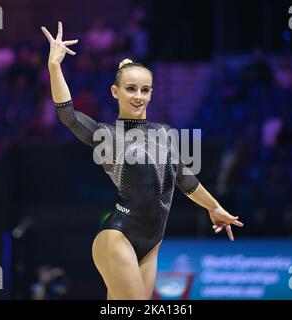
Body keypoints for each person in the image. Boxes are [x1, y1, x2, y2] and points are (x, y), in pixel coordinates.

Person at [41, 21, 244, 300]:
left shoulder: (165, 132)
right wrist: (55, 67)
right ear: (115, 92)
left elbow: (184, 179)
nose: (139, 97)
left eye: (145, 90)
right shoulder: (108, 136)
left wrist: (214, 207)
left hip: (151, 246)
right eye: (131, 89)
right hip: (117, 237)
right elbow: (69, 116)